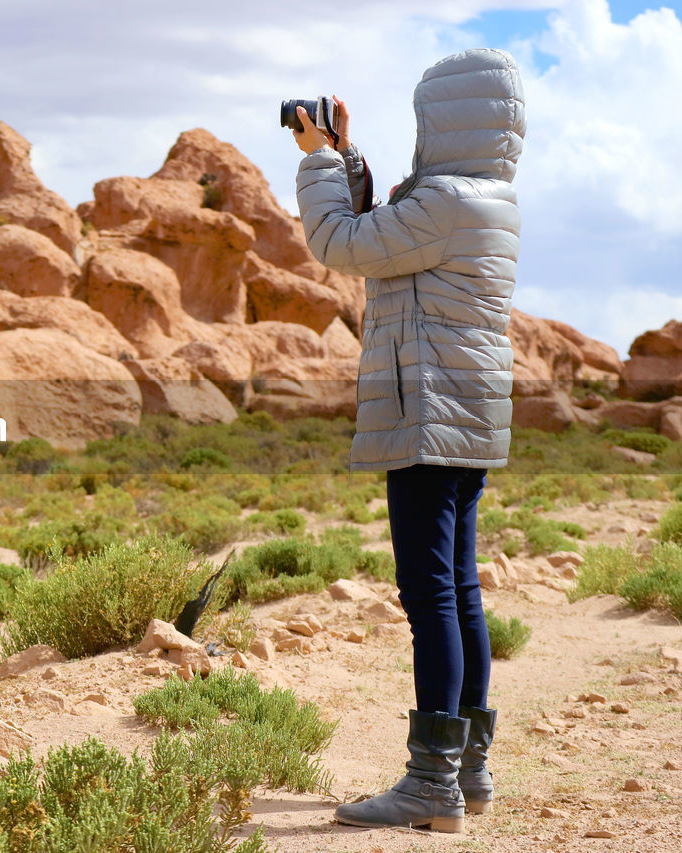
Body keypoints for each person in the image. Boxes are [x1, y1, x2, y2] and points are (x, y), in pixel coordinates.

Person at [288, 48, 526, 833]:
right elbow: (384, 233)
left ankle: (432, 787)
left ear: (446, 119)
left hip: (427, 416)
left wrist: (318, 161)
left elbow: (342, 244)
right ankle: (468, 771)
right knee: (458, 591)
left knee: (431, 599)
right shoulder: (484, 196)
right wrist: (350, 156)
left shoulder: (447, 202)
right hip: (465, 417)